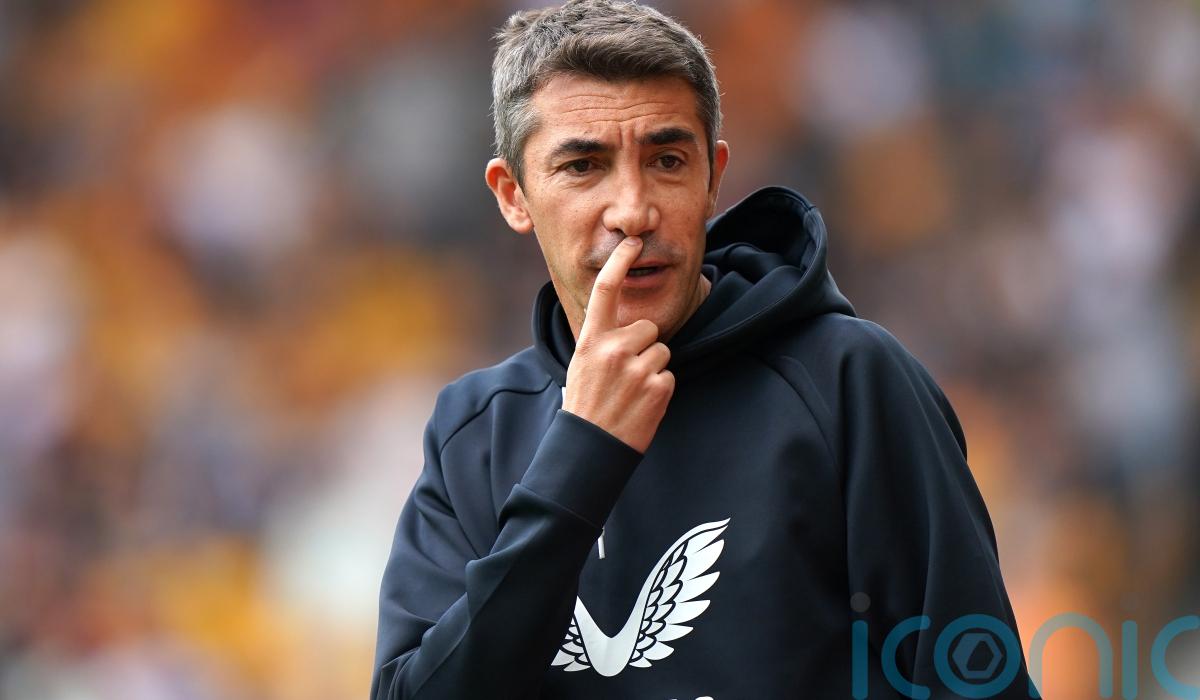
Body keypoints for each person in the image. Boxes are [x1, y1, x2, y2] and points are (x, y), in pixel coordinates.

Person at [371, 1, 1033, 697]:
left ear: (713, 178)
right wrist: (579, 463)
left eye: (667, 160)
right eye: (583, 166)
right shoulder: (475, 433)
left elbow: (974, 678)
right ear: (514, 195)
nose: (633, 210)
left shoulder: (849, 384)